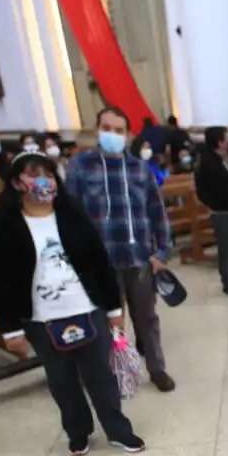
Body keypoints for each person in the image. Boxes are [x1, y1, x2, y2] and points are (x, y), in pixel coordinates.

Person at [0, 152, 145, 456]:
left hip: (87, 308)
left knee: (101, 377)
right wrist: (9, 329)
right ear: (16, 182)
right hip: (41, 318)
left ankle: (118, 430)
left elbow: (100, 263)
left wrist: (114, 310)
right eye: (33, 174)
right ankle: (78, 431)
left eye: (49, 175)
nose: (43, 181)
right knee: (62, 380)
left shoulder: (73, 215)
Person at [65, 106, 176, 392]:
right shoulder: (80, 167)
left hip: (139, 258)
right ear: (97, 129)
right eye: (107, 128)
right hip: (101, 263)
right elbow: (70, 215)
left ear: (128, 135)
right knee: (108, 323)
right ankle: (114, 374)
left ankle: (157, 368)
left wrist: (161, 252)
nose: (112, 135)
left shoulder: (140, 169)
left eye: (119, 130)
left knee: (147, 319)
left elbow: (156, 211)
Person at [194, 125, 228, 297]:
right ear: (219, 142)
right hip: (221, 212)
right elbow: (201, 189)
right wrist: (212, 204)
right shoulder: (206, 161)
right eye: (226, 138)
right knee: (226, 249)